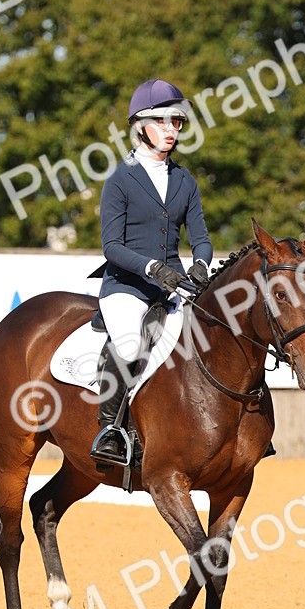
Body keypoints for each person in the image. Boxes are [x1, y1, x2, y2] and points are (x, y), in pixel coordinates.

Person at [89, 78, 213, 465]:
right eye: (163, 122)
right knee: (129, 345)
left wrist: (201, 266)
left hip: (174, 284)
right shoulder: (119, 180)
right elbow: (111, 247)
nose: (172, 130)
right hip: (127, 285)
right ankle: (110, 430)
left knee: (209, 339)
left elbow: (202, 238)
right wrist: (151, 267)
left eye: (177, 123)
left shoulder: (185, 180)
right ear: (141, 125)